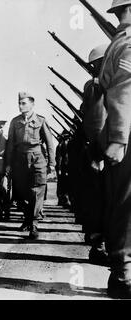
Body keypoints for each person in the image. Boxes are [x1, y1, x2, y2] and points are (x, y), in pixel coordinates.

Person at [99, 0, 131, 299]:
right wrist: (120, 138)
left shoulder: (117, 43)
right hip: (128, 137)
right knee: (127, 205)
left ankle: (121, 270)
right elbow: (125, 89)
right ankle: (123, 275)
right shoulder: (129, 43)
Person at [5, 92, 55, 240]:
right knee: (21, 192)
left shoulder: (40, 120)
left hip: (37, 158)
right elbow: (10, 145)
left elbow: (49, 143)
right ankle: (27, 218)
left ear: (32, 104)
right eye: (19, 103)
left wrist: (51, 163)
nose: (21, 106)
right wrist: (8, 163)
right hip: (19, 160)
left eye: (24, 103)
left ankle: (33, 224)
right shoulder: (15, 122)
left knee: (36, 191)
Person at [80, 44, 109, 265]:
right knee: (105, 199)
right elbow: (96, 122)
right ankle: (100, 245)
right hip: (107, 152)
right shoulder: (97, 87)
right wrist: (99, 153)